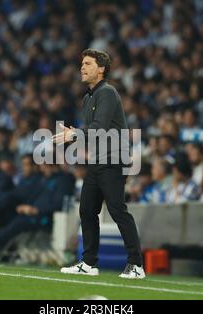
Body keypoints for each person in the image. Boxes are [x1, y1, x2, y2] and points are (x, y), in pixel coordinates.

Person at [53, 49, 145, 279]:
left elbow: (100, 128)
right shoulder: (88, 97)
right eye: (81, 64)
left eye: (87, 64)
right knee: (86, 210)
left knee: (117, 210)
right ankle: (89, 263)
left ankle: (136, 265)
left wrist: (74, 134)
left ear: (101, 69)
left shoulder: (108, 92)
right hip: (98, 160)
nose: (81, 68)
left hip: (114, 159)